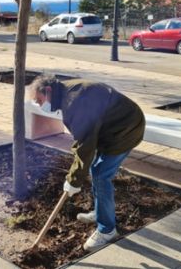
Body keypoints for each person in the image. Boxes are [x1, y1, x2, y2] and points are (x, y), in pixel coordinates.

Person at [30, 76, 145, 252]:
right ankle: (101, 212)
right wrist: (75, 175)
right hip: (114, 127)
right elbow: (83, 138)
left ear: (48, 91)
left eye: (39, 100)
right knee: (95, 170)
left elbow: (85, 145)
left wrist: (74, 179)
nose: (39, 105)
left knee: (100, 174)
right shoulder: (65, 92)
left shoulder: (74, 102)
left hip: (125, 129)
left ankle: (107, 229)